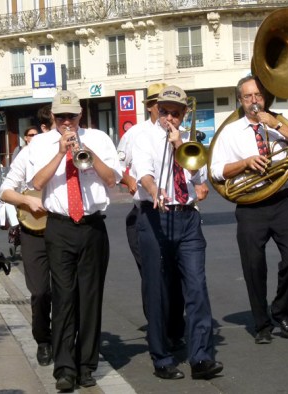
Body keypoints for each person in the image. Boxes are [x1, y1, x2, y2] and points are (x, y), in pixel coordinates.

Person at [210, 75, 288, 344]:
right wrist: (245, 163)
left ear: (265, 98)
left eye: (258, 95)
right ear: (240, 101)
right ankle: (262, 324)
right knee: (253, 266)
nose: (254, 101)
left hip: (281, 201)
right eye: (248, 97)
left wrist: (277, 124)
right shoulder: (231, 132)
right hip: (250, 205)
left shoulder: (278, 124)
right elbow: (215, 170)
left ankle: (281, 310)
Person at [27, 90, 120, 390]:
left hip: (92, 226)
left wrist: (88, 156)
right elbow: (37, 183)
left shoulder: (99, 138)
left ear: (81, 115)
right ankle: (64, 369)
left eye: (72, 116)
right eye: (60, 117)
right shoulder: (40, 143)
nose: (66, 122)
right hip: (59, 225)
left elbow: (112, 179)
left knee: (90, 298)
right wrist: (59, 153)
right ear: (52, 118)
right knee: (64, 297)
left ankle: (87, 365)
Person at [132, 85, 223, 380]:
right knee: (158, 289)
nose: (169, 117)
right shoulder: (142, 137)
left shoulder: (188, 140)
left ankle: (201, 357)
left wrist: (177, 145)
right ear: (157, 110)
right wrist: (154, 190)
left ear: (184, 114)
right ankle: (162, 357)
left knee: (196, 287)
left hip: (187, 218)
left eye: (175, 112)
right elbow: (143, 172)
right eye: (164, 111)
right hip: (156, 215)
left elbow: (198, 177)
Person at [116, 82, 187, 350]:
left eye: (172, 108)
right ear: (150, 107)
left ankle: (176, 327)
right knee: (153, 275)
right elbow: (118, 167)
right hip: (144, 210)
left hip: (176, 211)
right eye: (159, 105)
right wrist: (132, 181)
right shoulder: (135, 134)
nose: (166, 112)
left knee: (176, 273)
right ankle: (159, 328)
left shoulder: (179, 132)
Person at [0, 120, 51, 366]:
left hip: (62, 229)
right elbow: (5, 191)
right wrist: (27, 201)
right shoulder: (28, 155)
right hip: (32, 231)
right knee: (40, 291)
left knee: (65, 291)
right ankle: (43, 339)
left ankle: (63, 339)